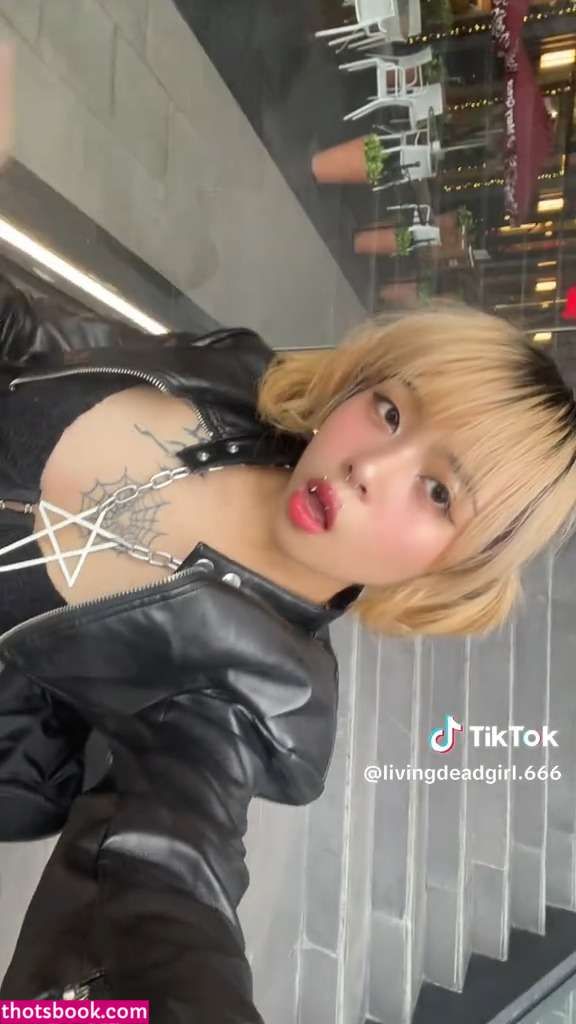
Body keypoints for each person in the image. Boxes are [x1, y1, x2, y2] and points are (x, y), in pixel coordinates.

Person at [0, 277, 575, 1023]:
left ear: (458, 565)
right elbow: (38, 338)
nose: (371, 467)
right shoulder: (234, 375)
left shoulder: (263, 692)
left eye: (437, 492)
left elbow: (167, 884)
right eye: (390, 411)